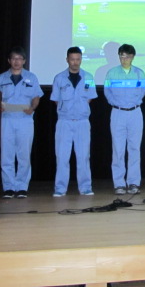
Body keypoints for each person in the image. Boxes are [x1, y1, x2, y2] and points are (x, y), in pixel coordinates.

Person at [0, 47, 43, 199]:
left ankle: (22, 187)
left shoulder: (31, 77)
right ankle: (8, 187)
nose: (17, 61)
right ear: (9, 61)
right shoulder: (1, 78)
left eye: (20, 59)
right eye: (14, 58)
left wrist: (33, 108)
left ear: (24, 61)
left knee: (24, 155)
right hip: (6, 119)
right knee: (6, 155)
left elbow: (36, 96)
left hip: (25, 119)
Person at [50, 46, 97, 197]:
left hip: (82, 121)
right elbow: (56, 99)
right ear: (67, 60)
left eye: (78, 59)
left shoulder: (88, 77)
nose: (75, 62)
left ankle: (85, 187)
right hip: (64, 122)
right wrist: (67, 109)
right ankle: (60, 188)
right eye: (72, 59)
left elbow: (90, 97)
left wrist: (80, 108)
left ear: (81, 60)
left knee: (84, 156)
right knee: (62, 156)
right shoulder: (59, 78)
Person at [103, 44, 145, 196]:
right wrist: (115, 103)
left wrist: (133, 102)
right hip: (118, 113)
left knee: (134, 148)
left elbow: (143, 91)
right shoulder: (112, 73)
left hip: (135, 113)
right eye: (122, 56)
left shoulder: (139, 73)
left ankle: (133, 182)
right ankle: (119, 184)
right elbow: (107, 91)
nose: (124, 59)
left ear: (132, 57)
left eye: (127, 56)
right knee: (118, 149)